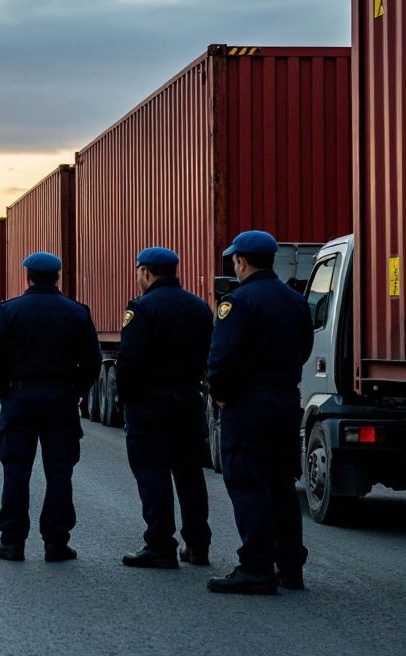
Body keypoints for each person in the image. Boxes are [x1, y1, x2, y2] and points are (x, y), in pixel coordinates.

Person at [206, 230, 313, 595]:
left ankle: (256, 567)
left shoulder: (236, 302)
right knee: (281, 484)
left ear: (241, 262)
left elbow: (221, 357)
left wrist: (220, 395)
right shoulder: (294, 300)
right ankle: (291, 567)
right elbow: (304, 347)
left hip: (247, 405)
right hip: (284, 402)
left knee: (249, 484)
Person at [0, 252, 102, 562]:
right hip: (61, 400)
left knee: (16, 472)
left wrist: (2, 392)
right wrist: (76, 391)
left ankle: (12, 542)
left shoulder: (9, 312)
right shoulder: (76, 312)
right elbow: (92, 360)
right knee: (60, 474)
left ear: (28, 277)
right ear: (58, 277)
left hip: (19, 400)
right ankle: (56, 542)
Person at [116, 247, 215, 571]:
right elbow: (207, 354)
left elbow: (128, 361)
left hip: (150, 404)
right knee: (189, 474)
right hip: (189, 401)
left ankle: (160, 545)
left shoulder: (142, 309)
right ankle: (198, 545)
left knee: (153, 472)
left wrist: (127, 400)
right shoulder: (199, 307)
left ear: (146, 272)